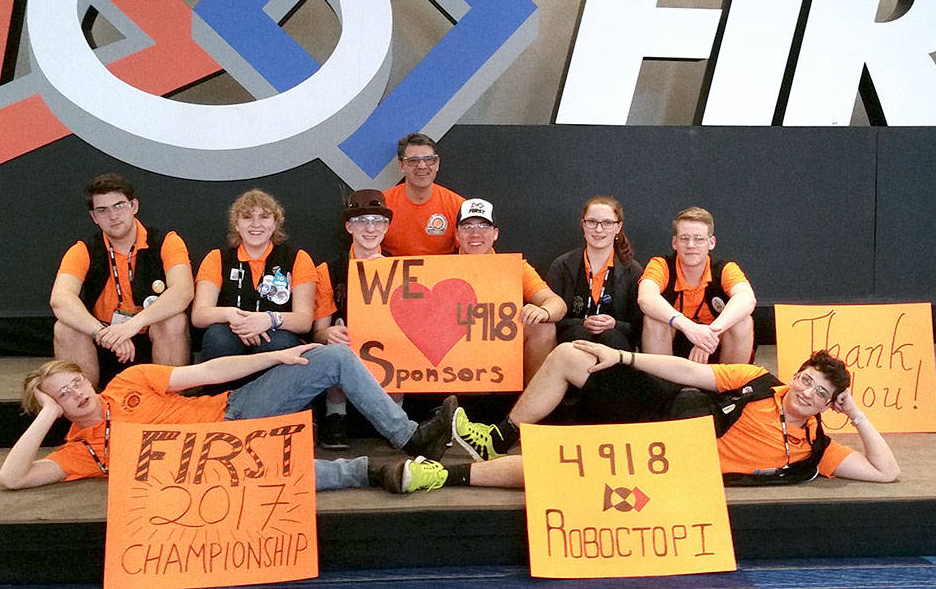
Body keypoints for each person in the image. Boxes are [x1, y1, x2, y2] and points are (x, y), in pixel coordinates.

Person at [378, 341, 899, 493]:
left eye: (821, 392)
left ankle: (443, 474)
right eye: (806, 379)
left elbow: (886, 472)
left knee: (561, 467)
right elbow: (684, 371)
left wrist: (855, 413)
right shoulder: (758, 380)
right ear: (797, 374)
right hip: (662, 413)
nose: (806, 391)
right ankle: (498, 437)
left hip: (670, 467)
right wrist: (622, 357)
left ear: (829, 403)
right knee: (568, 355)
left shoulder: (815, 450)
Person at [0, 345, 458, 492]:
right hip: (207, 466)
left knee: (332, 355)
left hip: (234, 409)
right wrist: (47, 415)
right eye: (61, 396)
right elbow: (12, 479)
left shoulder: (129, 382)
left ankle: (411, 437)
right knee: (252, 475)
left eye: (73, 382)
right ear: (54, 408)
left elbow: (208, 371)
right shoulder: (81, 451)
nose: (74, 392)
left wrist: (278, 355)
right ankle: (372, 473)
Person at [50, 173, 193, 388]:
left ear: (134, 206)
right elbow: (60, 299)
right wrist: (102, 333)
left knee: (173, 321)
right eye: (103, 210)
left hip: (150, 341)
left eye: (119, 206)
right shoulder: (83, 250)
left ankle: (167, 405)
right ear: (94, 217)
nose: (113, 216)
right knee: (65, 328)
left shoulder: (167, 242)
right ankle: (88, 412)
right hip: (103, 344)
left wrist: (133, 326)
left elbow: (183, 291)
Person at [191, 189, 317, 362]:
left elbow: (304, 321)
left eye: (264, 217)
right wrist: (231, 315)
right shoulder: (217, 258)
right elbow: (199, 315)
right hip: (231, 334)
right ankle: (220, 390)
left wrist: (269, 319)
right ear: (236, 224)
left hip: (275, 335)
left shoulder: (298, 258)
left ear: (274, 224)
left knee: (278, 343)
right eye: (247, 217)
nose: (256, 224)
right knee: (218, 338)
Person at [312, 189, 394, 450]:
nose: (370, 228)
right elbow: (318, 332)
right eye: (361, 221)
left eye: (377, 220)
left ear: (387, 227)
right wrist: (328, 335)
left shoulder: (403, 266)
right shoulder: (328, 270)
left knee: (402, 344)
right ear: (349, 227)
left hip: (387, 347)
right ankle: (335, 413)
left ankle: (395, 413)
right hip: (349, 346)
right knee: (336, 345)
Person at [454, 198, 567, 381]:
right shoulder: (439, 267)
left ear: (495, 233)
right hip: (454, 350)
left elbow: (557, 304)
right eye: (467, 226)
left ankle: (531, 405)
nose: (475, 233)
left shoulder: (515, 267)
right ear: (457, 234)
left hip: (500, 345)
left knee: (543, 328)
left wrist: (543, 311)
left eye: (484, 226)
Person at [637, 207, 756, 364]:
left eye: (699, 239)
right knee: (654, 319)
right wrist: (690, 328)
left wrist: (709, 334)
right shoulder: (660, 265)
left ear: (711, 242)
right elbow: (646, 298)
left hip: (713, 347)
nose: (691, 245)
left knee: (743, 321)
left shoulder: (725, 268)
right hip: (672, 345)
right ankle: (662, 384)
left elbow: (747, 298)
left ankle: (729, 384)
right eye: (684, 238)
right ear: (674, 242)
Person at [546, 196, 643, 351]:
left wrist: (615, 324)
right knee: (580, 334)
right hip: (572, 340)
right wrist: (581, 323)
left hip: (616, 344)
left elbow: (639, 327)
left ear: (618, 227)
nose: (598, 230)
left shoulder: (632, 270)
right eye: (592, 222)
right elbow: (551, 319)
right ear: (583, 225)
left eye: (607, 223)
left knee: (611, 337)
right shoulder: (562, 266)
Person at [381, 133, 464, 257]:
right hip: (394, 274)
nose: (422, 166)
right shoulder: (382, 204)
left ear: (437, 164)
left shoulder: (457, 205)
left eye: (429, 159)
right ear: (401, 166)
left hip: (443, 273)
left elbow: (475, 251)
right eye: (413, 160)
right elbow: (363, 248)